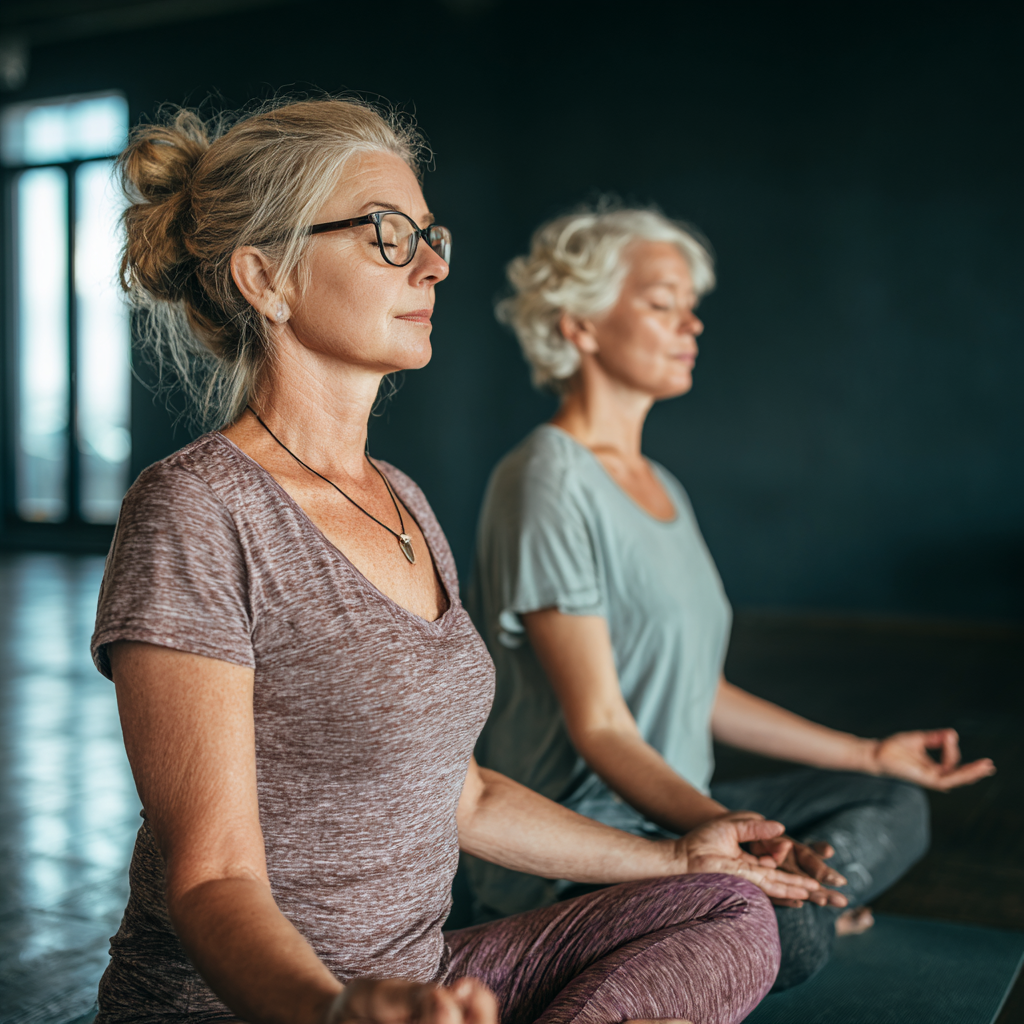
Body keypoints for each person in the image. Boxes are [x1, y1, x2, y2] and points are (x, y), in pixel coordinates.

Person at [90, 100, 816, 1024]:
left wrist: (677, 856)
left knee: (728, 907)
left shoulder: (402, 500)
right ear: (266, 277)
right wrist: (335, 1011)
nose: (432, 264)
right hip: (256, 1008)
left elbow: (463, 796)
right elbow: (212, 879)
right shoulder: (195, 509)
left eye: (429, 235)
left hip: (426, 982)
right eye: (387, 234)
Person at [466, 204, 997, 991]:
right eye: (663, 303)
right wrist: (717, 834)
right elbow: (601, 725)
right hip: (589, 849)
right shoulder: (547, 477)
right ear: (579, 326)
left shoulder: (662, 485)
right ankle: (791, 910)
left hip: (685, 813)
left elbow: (701, 691)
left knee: (891, 801)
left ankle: (784, 903)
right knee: (789, 932)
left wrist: (867, 753)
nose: (692, 325)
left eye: (692, 306)